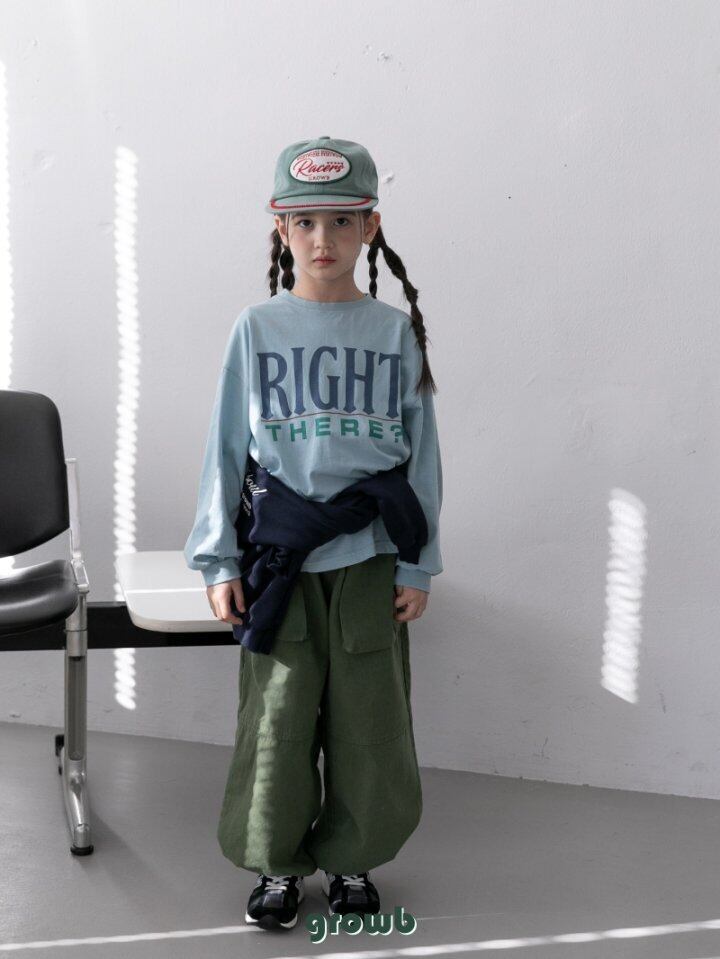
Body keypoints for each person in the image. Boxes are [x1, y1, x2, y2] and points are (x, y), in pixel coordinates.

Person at [184, 136, 443, 931]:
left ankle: (352, 858)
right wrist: (217, 558)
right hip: (280, 564)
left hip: (370, 558)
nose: (322, 239)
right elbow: (226, 448)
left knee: (369, 721)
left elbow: (423, 453)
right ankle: (277, 863)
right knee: (278, 719)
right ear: (280, 229)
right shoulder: (256, 329)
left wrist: (419, 564)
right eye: (304, 222)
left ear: (370, 227)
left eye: (340, 220)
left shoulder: (394, 332)